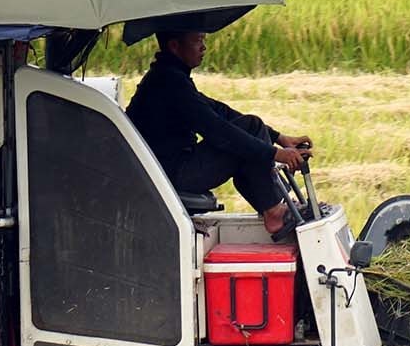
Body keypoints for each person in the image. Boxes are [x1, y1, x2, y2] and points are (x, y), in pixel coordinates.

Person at [128, 25, 312, 237]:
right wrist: (276, 154)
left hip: (168, 170)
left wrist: (280, 138)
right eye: (197, 40)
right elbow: (218, 130)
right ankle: (273, 212)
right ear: (174, 46)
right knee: (248, 131)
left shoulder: (168, 77)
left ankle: (273, 208)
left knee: (252, 127)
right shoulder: (170, 83)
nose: (203, 47)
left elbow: (219, 111)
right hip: (171, 175)